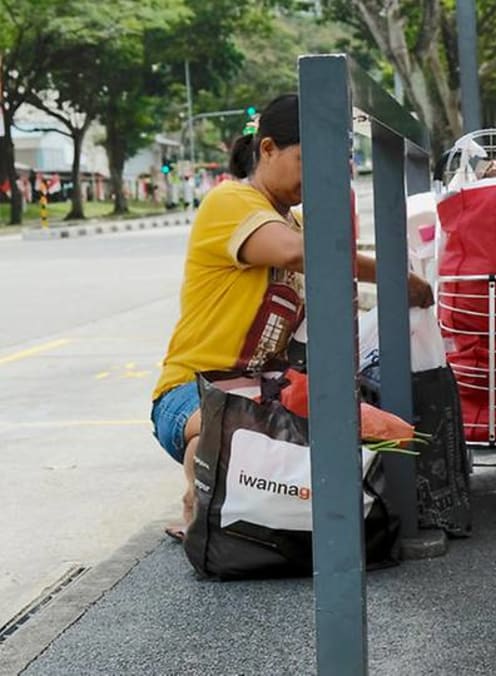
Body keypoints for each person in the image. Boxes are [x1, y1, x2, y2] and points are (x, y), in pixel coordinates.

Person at [151, 93, 434, 540]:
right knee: (234, 429)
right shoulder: (231, 202)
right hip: (192, 392)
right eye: (306, 160)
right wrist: (395, 278)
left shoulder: (297, 223)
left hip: (265, 395)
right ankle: (197, 504)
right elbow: (298, 253)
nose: (317, 176)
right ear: (267, 149)